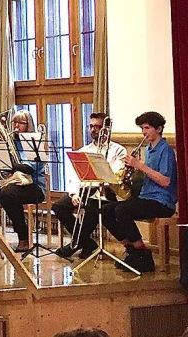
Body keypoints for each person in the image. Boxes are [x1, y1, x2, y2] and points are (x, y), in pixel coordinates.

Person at [101, 111, 177, 273]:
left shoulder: (166, 150)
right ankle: (132, 250)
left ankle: (142, 252)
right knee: (105, 211)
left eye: (147, 128)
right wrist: (132, 170)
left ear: (159, 129)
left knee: (122, 210)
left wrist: (140, 166)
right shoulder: (148, 149)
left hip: (162, 201)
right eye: (142, 128)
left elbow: (166, 181)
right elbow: (147, 174)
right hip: (146, 197)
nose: (143, 132)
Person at [52, 112, 126, 260]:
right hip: (85, 190)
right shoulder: (84, 151)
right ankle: (86, 243)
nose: (93, 130)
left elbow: (116, 176)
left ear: (106, 129)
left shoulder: (118, 150)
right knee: (59, 206)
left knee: (93, 208)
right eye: (91, 126)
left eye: (97, 127)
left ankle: (75, 244)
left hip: (106, 191)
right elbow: (75, 176)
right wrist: (74, 194)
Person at [0, 109, 46, 253]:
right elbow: (5, 169)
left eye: (21, 123)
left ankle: (23, 237)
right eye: (15, 122)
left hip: (34, 185)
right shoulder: (11, 141)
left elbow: (30, 169)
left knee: (8, 194)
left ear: (28, 125)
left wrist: (10, 164)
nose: (16, 126)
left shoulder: (34, 142)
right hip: (13, 180)